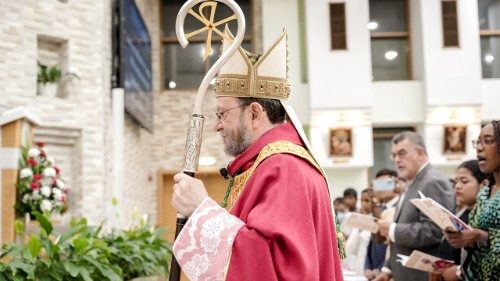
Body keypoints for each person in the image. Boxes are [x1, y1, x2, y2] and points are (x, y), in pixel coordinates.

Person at [170, 29, 343, 280]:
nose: (216, 125)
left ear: (254, 113)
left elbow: (271, 266)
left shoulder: (283, 167)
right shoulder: (268, 163)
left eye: (221, 114)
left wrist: (200, 209)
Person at [373, 131, 455, 281]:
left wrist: (392, 229)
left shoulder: (432, 182)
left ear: (420, 153)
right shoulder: (411, 184)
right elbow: (402, 242)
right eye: (394, 155)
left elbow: (435, 231)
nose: (397, 160)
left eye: (402, 153)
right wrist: (387, 269)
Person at [443, 120, 500, 280]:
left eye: (488, 141)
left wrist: (481, 237)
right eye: (478, 142)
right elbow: (476, 240)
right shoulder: (484, 193)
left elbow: (482, 236)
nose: (479, 148)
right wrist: (460, 237)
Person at [434, 160, 493, 281]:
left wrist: (458, 271)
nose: (457, 186)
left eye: (464, 181)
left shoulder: (487, 217)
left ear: (484, 184)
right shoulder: (462, 212)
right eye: (456, 182)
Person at [365, 169, 398, 280]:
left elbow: (389, 242)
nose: (381, 188)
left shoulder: (399, 208)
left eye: (386, 183)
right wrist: (368, 267)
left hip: (389, 269)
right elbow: (373, 241)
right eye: (379, 184)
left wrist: (382, 268)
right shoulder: (380, 208)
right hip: (375, 269)